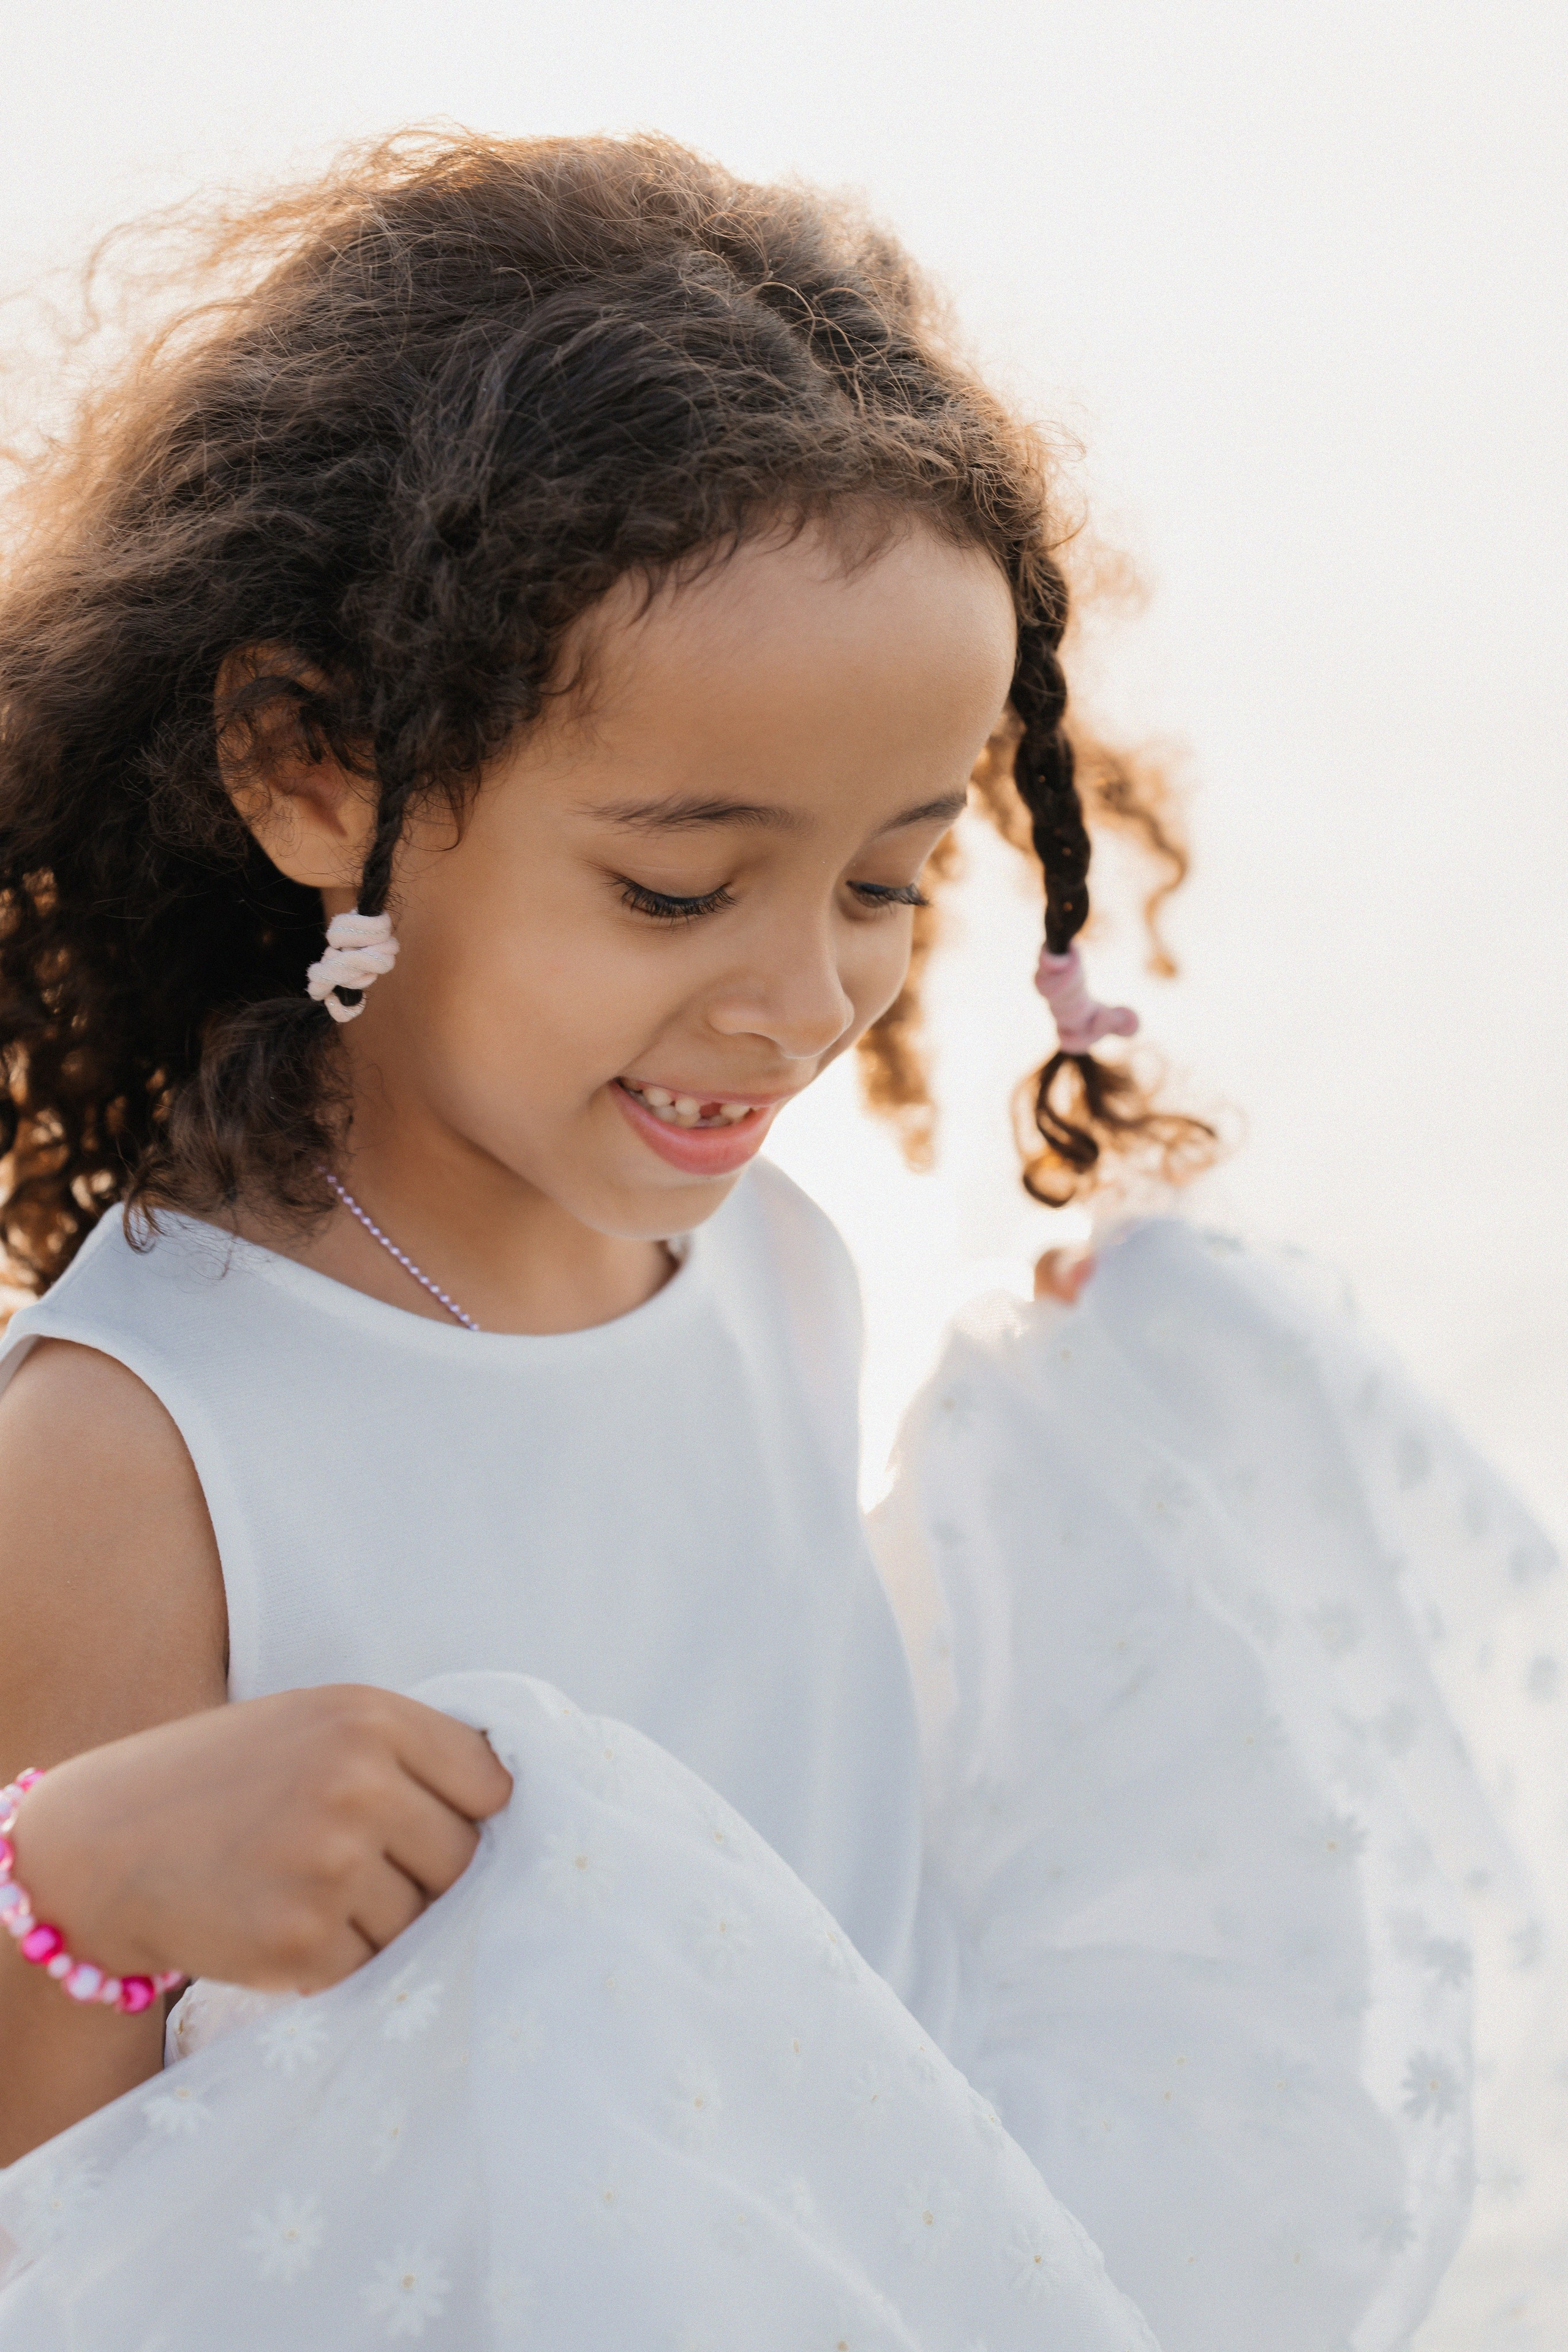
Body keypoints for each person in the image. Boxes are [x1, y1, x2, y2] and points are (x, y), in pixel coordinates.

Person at [0, 132, 1559, 2351]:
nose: (803, 1002)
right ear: (313, 772)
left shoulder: (786, 1256)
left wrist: (1060, 1452)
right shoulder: (136, 1455)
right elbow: (60, 2234)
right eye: (673, 887)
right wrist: (73, 1883)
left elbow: (767, 1818)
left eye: (885, 880)